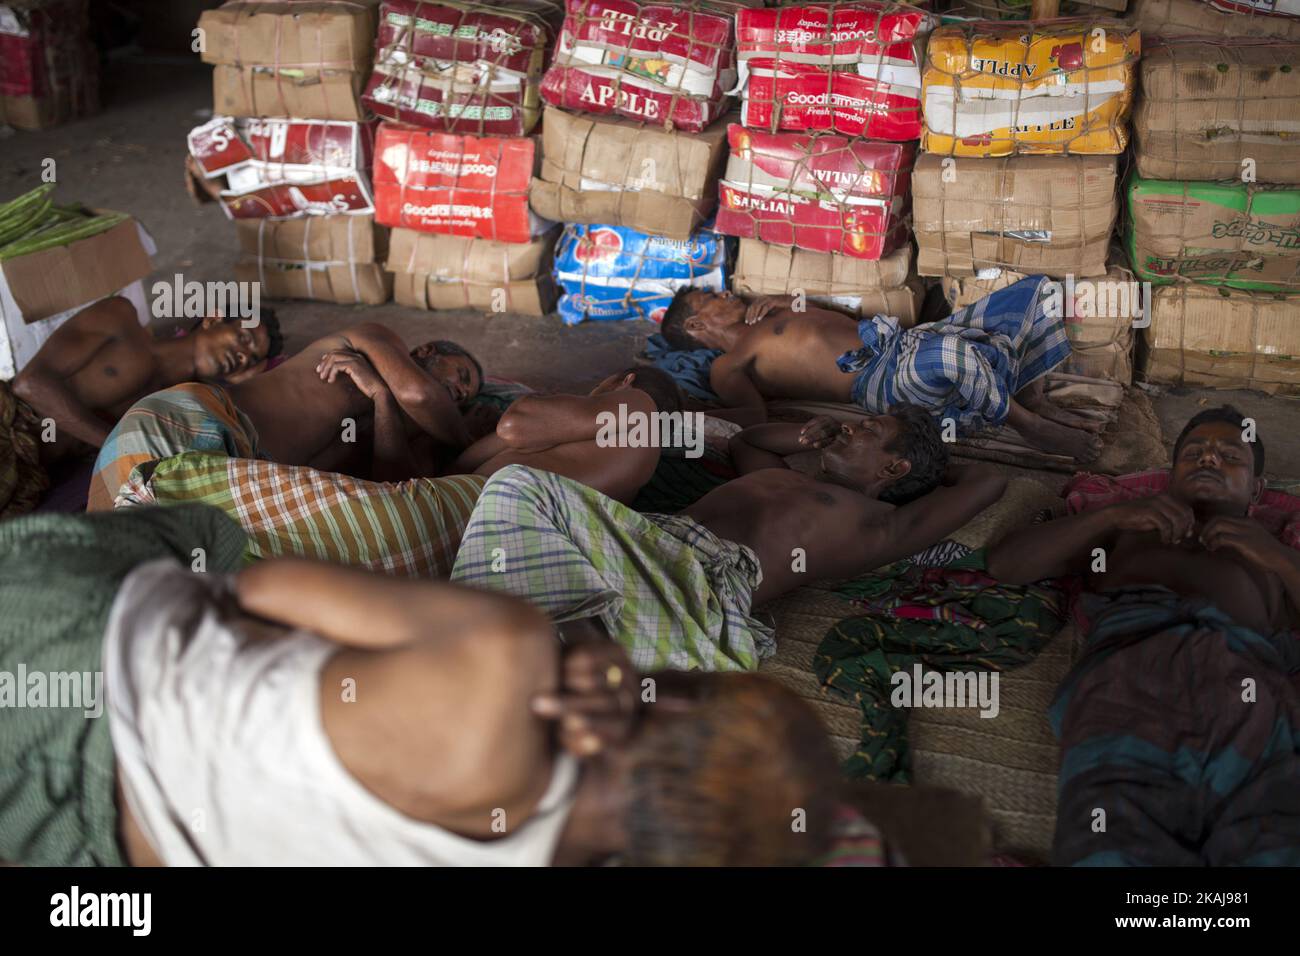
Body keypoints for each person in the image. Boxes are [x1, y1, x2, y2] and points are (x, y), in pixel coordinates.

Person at [0, 505, 842, 867]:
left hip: (71, 656)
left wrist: (558, 644)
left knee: (207, 540)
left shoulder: (505, 659)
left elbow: (264, 590)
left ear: (681, 696)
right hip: (95, 844)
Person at [450, 404, 1007, 671]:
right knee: (522, 513)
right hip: (647, 548)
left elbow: (991, 479)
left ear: (895, 469)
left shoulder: (881, 525)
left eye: (871, 431)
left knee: (520, 486)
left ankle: (533, 655)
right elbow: (752, 441)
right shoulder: (783, 475)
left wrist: (930, 470)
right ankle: (526, 652)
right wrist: (805, 435)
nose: (853, 426)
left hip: (701, 590)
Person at [987, 405, 1300, 866]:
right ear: (1170, 477)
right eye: (1193, 453)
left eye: (1229, 455)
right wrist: (1110, 519)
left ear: (1256, 489)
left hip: (1246, 689)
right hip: (1130, 680)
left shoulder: (1271, 552)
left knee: (1274, 840)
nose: (1208, 460)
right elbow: (1007, 565)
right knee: (1115, 839)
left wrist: (1274, 556)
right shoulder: (1130, 530)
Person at [659, 275, 1102, 462]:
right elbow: (753, 418)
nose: (726, 296)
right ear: (696, 324)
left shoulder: (769, 312)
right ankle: (1027, 425)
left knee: (1038, 292)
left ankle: (1032, 397)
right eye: (712, 300)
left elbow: (830, 326)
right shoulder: (728, 364)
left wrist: (792, 303)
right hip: (882, 380)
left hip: (905, 341)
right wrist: (685, 417)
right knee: (951, 355)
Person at [88, 322, 483, 511]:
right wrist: (468, 438)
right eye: (462, 375)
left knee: (118, 574)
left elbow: (387, 483)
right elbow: (420, 393)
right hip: (199, 420)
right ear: (428, 350)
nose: (459, 393)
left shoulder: (394, 421)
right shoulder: (372, 338)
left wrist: (380, 397)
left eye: (465, 398)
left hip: (232, 468)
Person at [1, 296, 279, 517]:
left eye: (252, 359)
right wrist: (117, 443)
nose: (242, 356)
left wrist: (243, 381)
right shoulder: (119, 318)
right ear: (213, 318)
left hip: (28, 474)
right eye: (244, 338)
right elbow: (29, 384)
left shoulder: (178, 409)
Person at [451, 366, 684, 503]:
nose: (592, 392)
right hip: (475, 518)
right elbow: (463, 464)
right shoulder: (629, 473)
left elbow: (511, 426)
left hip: (469, 505)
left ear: (626, 380)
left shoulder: (640, 404)